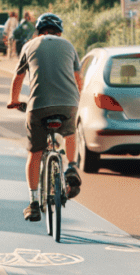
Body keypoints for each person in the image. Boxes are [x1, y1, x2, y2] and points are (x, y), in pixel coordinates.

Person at [7, 12, 83, 222]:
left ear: (38, 31)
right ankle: (71, 166)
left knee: (35, 153)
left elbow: (18, 77)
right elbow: (78, 78)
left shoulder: (29, 46)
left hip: (38, 106)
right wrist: (77, 99)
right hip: (68, 104)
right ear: (60, 32)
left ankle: (33, 203)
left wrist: (14, 100)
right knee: (70, 132)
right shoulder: (68, 46)